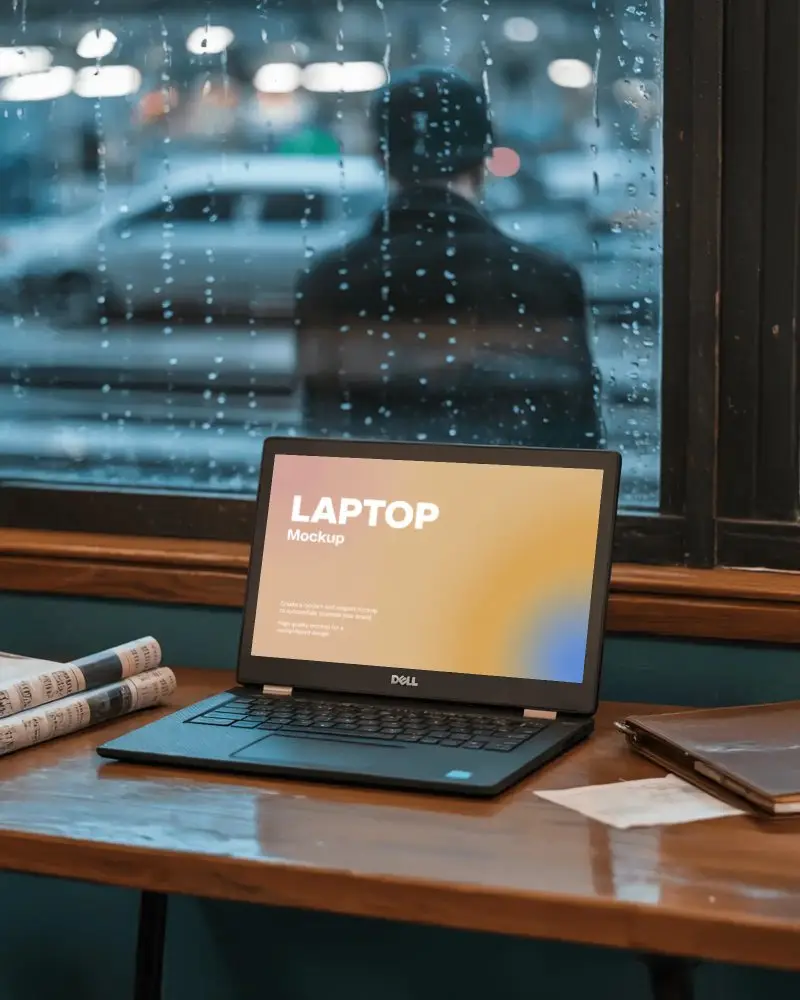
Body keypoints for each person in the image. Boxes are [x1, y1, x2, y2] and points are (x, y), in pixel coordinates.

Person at [294, 66, 603, 449]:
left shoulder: (329, 280)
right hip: (512, 504)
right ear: (485, 159)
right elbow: (574, 445)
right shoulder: (546, 278)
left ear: (381, 159)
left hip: (377, 503)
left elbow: (325, 439)